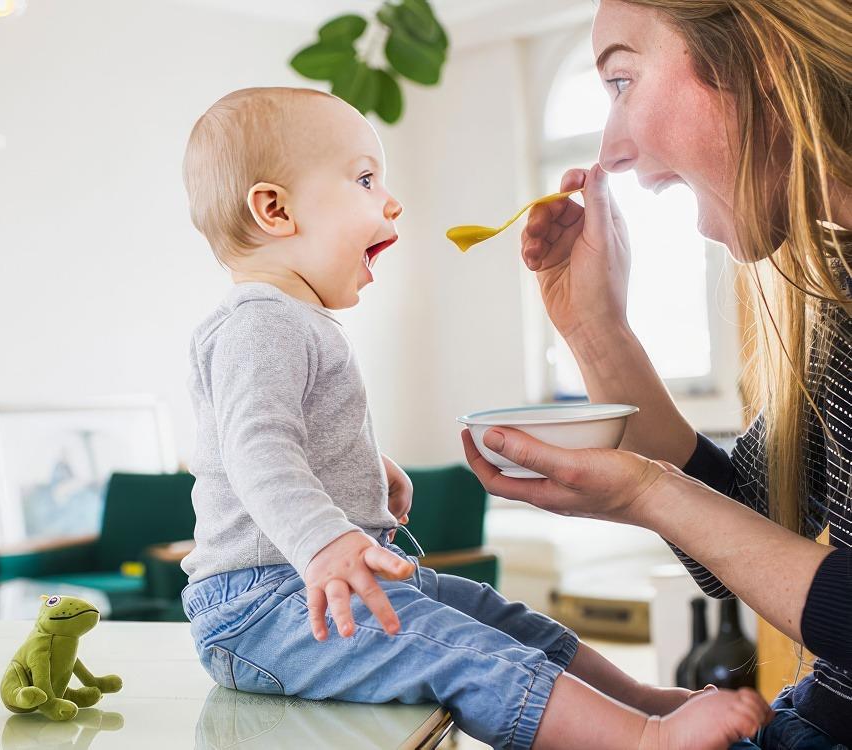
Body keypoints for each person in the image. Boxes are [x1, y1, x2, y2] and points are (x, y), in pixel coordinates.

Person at [178, 86, 770, 750]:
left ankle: (639, 700)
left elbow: (276, 439)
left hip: (304, 585)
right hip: (264, 607)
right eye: (365, 179)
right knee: (454, 649)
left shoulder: (292, 322)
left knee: (494, 615)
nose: (391, 201)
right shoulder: (261, 322)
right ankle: (640, 740)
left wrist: (359, 469)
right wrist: (326, 542)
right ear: (275, 210)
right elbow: (255, 450)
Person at [461, 1, 851, 747]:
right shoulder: (843, 295)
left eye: (621, 82)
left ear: (758, 59)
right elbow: (754, 527)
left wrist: (649, 492)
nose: (610, 149)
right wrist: (596, 329)